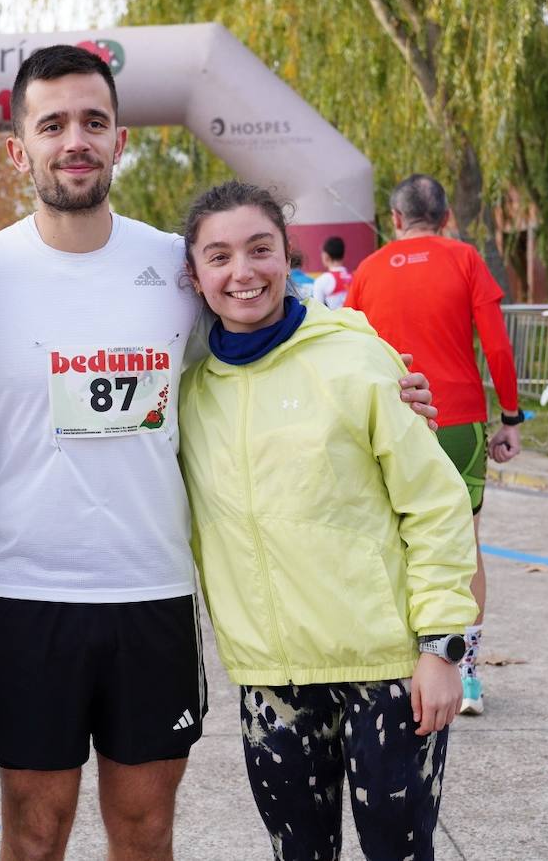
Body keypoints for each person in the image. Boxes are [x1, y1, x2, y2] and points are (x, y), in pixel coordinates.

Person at [0, 45, 439, 861]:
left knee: (144, 830)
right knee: (34, 833)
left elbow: (289, 322)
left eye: (93, 121)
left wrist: (391, 371)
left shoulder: (176, 265)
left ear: (120, 139)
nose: (75, 140)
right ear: (20, 149)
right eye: (51, 124)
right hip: (26, 601)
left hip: (152, 594)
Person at [177, 181, 478, 860]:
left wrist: (441, 647)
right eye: (218, 256)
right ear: (193, 276)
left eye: (260, 249)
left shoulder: (356, 358)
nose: (242, 272)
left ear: (288, 257)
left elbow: (434, 504)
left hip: (387, 671)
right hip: (270, 677)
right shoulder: (188, 392)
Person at [345, 173, 524, 716]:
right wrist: (511, 417)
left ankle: (403, 670)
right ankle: (464, 673)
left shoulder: (369, 269)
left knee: (393, 543)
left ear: (395, 219)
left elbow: (348, 346)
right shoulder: (465, 258)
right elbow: (495, 342)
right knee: (463, 545)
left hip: (391, 420)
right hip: (459, 420)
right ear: (446, 217)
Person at [309, 235, 352, 309]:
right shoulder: (354, 277)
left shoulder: (323, 280)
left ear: (326, 256)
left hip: (335, 319)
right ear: (343, 255)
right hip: (355, 319)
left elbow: (318, 311)